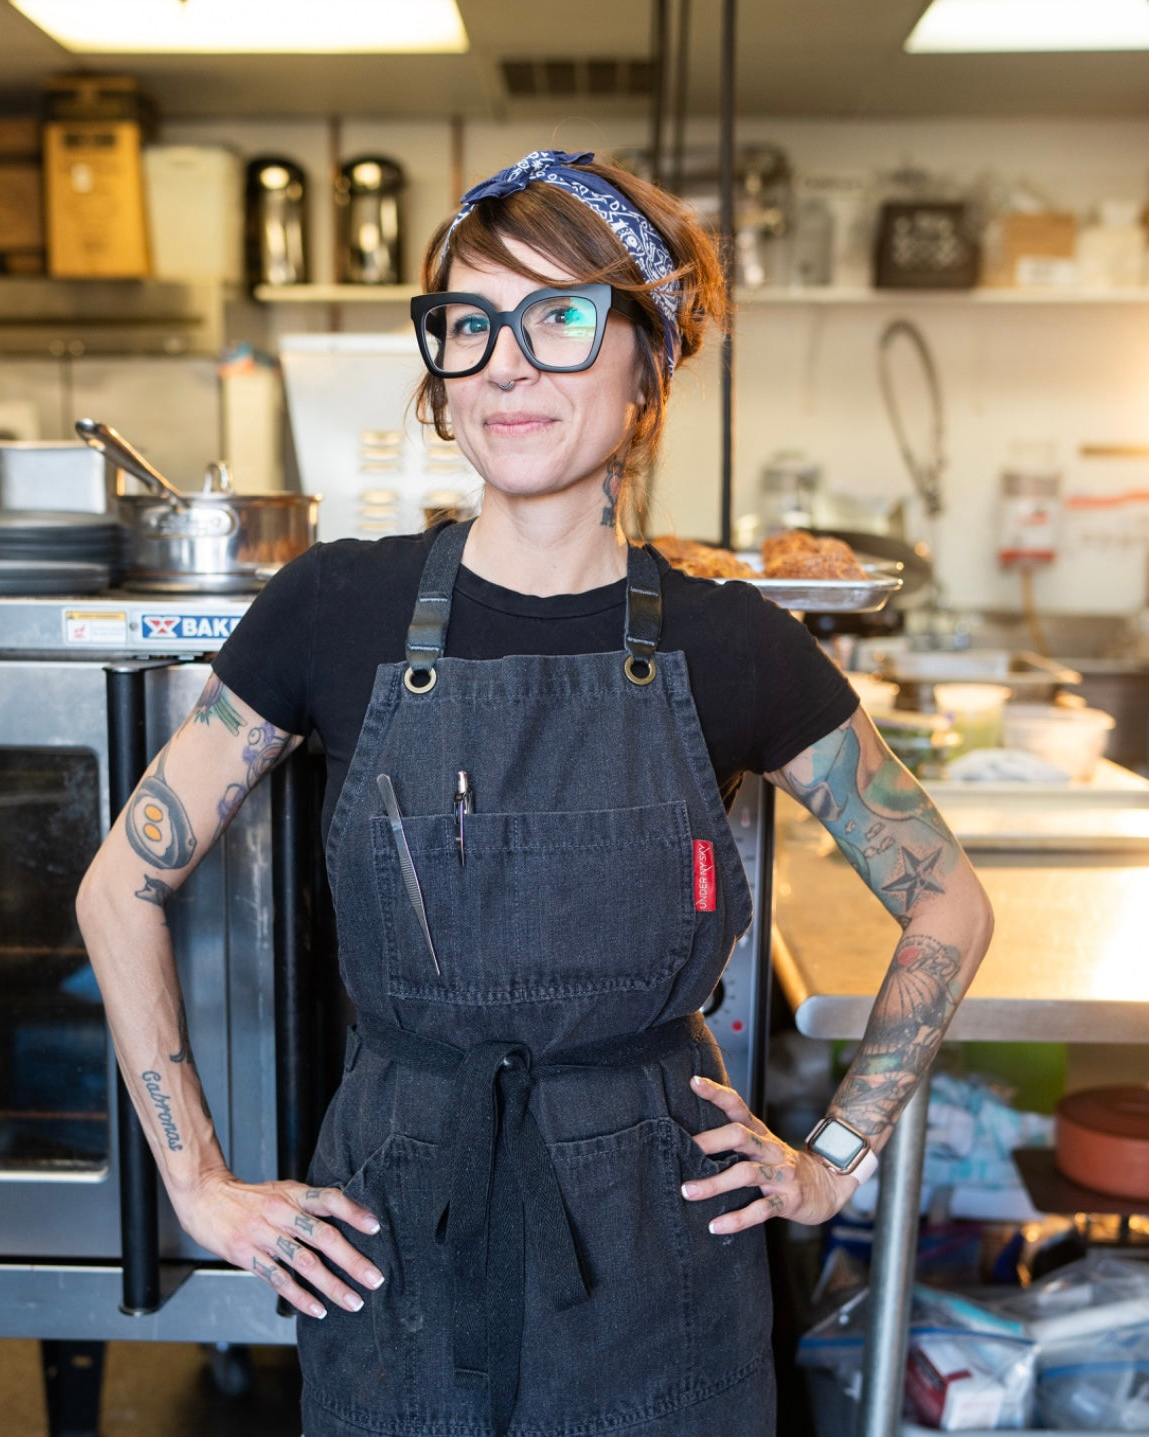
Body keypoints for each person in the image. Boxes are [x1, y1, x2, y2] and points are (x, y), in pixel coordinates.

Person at [76, 149, 993, 1437]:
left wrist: (834, 1156)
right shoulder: (336, 608)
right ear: (441, 373)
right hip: (395, 1231)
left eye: (560, 318)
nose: (507, 363)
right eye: (470, 322)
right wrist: (199, 1184)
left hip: (663, 1246)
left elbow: (946, 899)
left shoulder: (734, 644)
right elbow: (120, 883)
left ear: (649, 364)